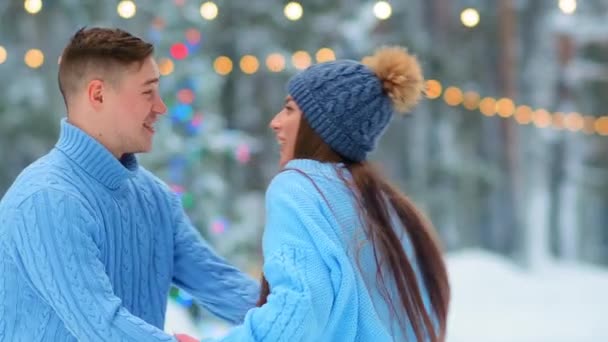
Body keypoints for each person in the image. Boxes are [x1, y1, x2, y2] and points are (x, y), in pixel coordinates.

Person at [0, 27, 259, 341]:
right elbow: (100, 325)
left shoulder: (155, 197)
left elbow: (218, 282)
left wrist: (300, 317)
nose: (161, 107)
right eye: (148, 92)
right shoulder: (46, 200)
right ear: (98, 94)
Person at [191, 46, 451, 342]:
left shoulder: (299, 187)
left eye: (289, 109)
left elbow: (296, 310)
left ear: (318, 126)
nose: (275, 122)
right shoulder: (384, 205)